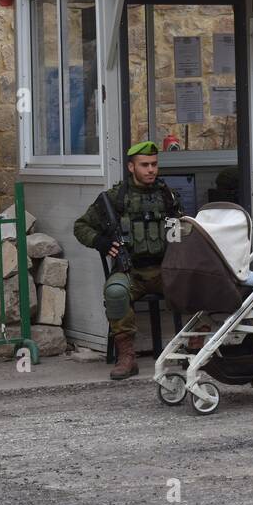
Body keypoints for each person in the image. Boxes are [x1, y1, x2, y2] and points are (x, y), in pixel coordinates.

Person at [74, 141, 183, 380]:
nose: (151, 170)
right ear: (131, 167)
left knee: (195, 282)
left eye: (154, 164)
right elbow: (80, 227)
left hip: (163, 270)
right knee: (115, 292)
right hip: (131, 271)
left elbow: (181, 228)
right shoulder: (116, 198)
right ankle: (127, 356)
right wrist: (101, 242)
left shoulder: (167, 196)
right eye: (144, 165)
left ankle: (195, 346)